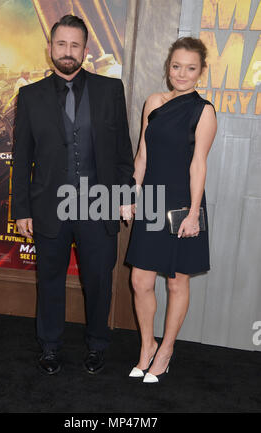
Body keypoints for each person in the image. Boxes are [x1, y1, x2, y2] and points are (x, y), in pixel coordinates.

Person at [11, 15, 134, 376]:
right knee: (49, 280)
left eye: (74, 45)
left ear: (86, 50)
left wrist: (125, 195)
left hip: (99, 204)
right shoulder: (29, 96)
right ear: (50, 48)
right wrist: (22, 209)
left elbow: (123, 152)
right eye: (61, 44)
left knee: (98, 281)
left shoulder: (110, 91)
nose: (67, 51)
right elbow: (22, 158)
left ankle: (97, 344)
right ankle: (49, 347)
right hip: (49, 205)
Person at [125, 37, 217, 383]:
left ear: (200, 72)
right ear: (168, 67)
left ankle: (166, 350)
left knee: (177, 283)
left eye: (190, 68)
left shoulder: (203, 110)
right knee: (140, 280)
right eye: (176, 66)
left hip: (181, 204)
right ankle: (147, 345)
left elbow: (198, 165)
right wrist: (130, 195)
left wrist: (194, 213)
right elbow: (142, 157)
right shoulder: (153, 102)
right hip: (151, 200)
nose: (181, 73)